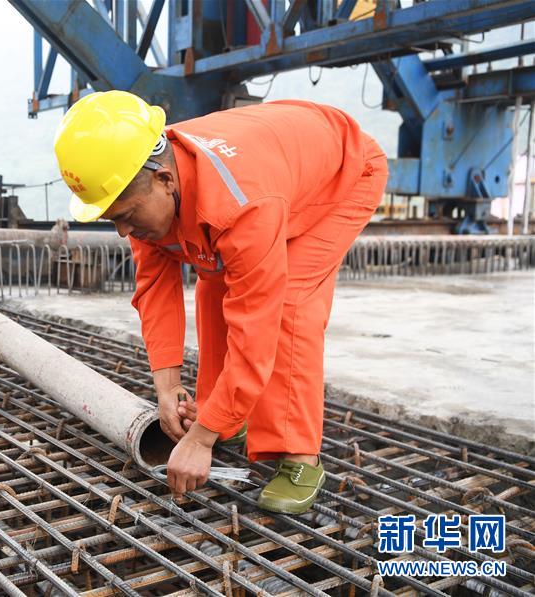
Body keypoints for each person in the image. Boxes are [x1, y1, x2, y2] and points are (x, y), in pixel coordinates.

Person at [54, 91, 387, 514]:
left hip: (344, 171)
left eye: (127, 216)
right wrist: (167, 387)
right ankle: (226, 416)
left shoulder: (242, 203)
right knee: (214, 281)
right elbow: (155, 291)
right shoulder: (141, 179)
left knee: (288, 302)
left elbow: (257, 326)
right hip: (282, 154)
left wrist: (201, 439)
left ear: (165, 180)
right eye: (112, 219)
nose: (123, 231)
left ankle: (300, 457)